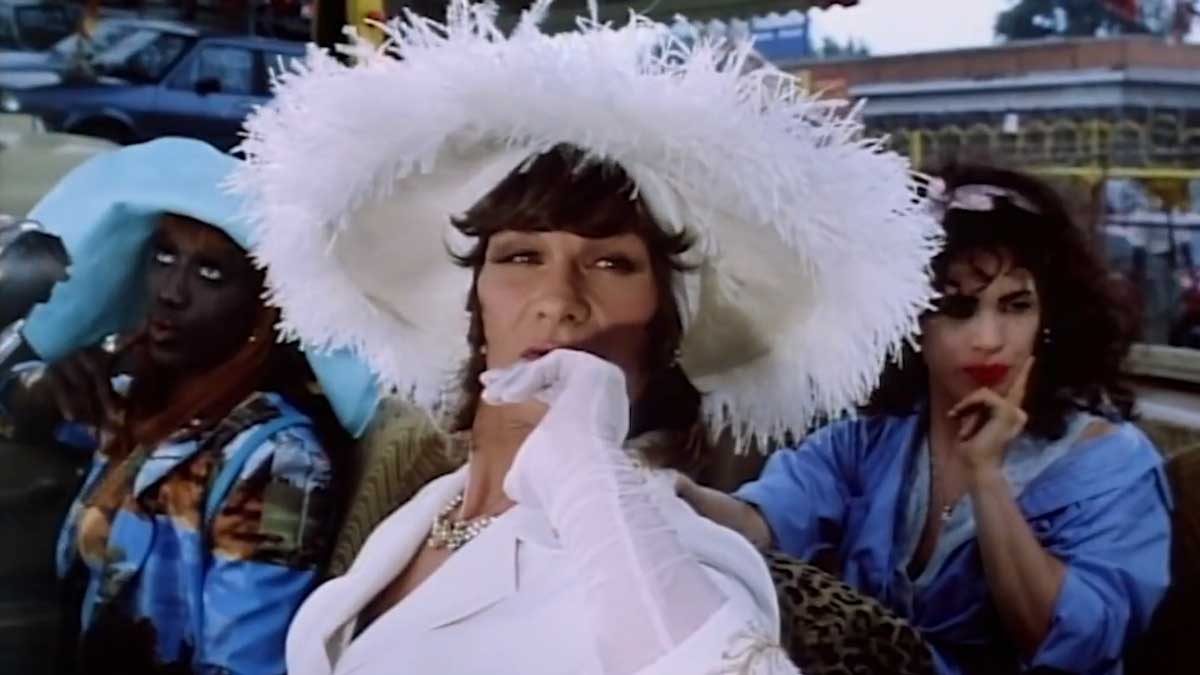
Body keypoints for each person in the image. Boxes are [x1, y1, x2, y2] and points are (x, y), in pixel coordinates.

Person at [230, 2, 941, 673]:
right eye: (520, 257)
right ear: (475, 301)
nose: (559, 302)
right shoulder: (424, 513)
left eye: (610, 263)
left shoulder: (665, 545)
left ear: (667, 327)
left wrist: (585, 471)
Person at [679, 165, 1173, 675]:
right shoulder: (868, 442)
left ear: (1049, 317)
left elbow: (1072, 646)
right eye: (957, 308)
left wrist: (987, 479)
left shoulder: (1112, 463)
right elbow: (762, 523)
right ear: (911, 319)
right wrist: (677, 496)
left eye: (1015, 305)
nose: (988, 337)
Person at [0, 138, 379, 675]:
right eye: (163, 257)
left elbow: (241, 663)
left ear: (262, 307)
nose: (171, 292)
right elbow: (21, 413)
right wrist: (43, 387)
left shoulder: (279, 461)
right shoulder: (139, 397)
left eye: (211, 274)